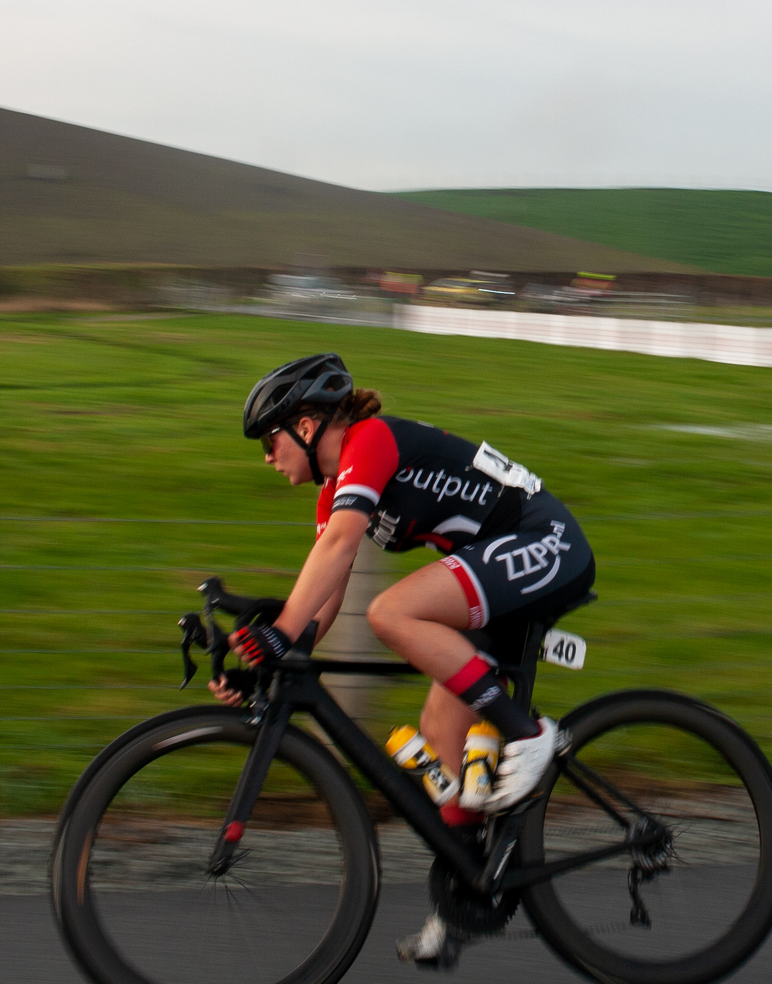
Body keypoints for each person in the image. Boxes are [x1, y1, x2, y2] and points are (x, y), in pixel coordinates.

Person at [211, 352, 595, 829]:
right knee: (440, 735)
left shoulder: (370, 439)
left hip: (546, 542)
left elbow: (338, 545)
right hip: (498, 568)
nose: (268, 457)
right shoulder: (333, 493)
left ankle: (529, 734)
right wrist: (266, 666)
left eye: (270, 441)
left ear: (306, 428)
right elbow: (324, 598)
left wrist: (281, 631)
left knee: (390, 612)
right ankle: (467, 890)